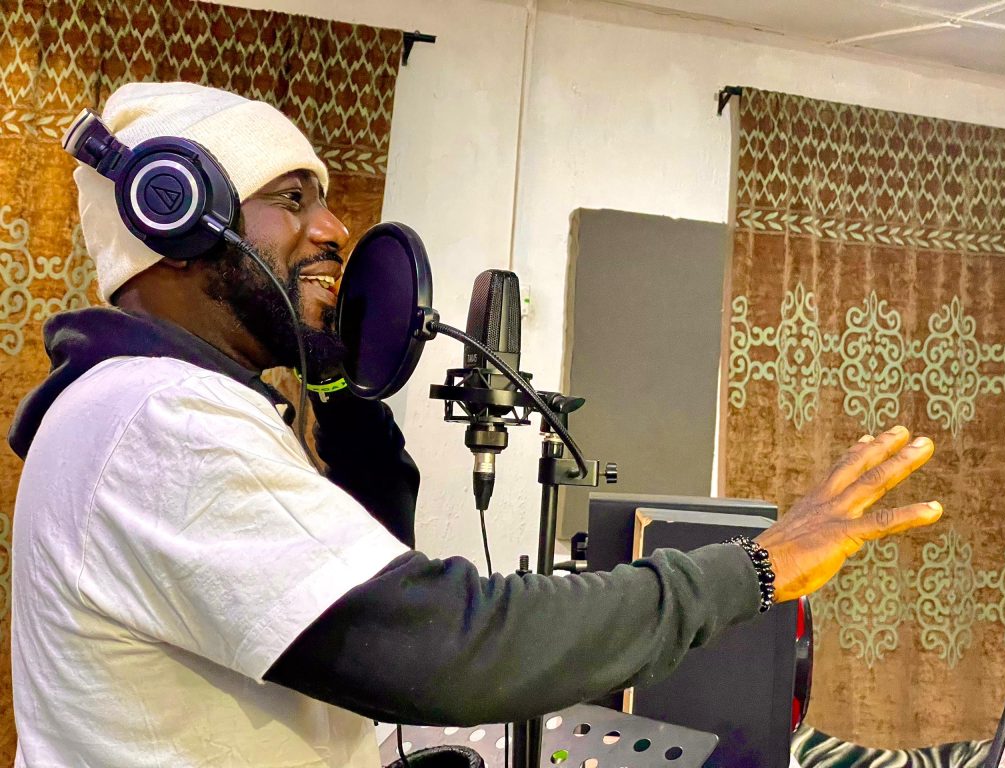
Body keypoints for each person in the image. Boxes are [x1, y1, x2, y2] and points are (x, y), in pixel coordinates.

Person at [7, 82, 943, 767]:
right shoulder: (162, 421)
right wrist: (756, 567)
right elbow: (441, 646)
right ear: (172, 216)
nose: (334, 229)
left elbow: (365, 556)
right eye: (292, 200)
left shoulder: (160, 408)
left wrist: (339, 376)